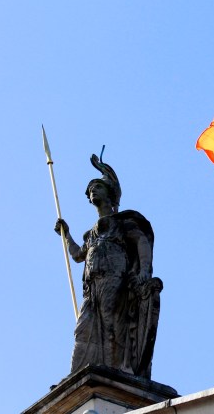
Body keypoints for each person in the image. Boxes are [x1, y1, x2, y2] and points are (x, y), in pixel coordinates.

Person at [54, 154, 161, 378]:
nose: (93, 190)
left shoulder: (123, 223)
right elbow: (77, 255)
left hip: (115, 278)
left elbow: (141, 241)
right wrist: (66, 234)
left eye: (98, 187)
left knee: (112, 323)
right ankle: (76, 375)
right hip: (92, 285)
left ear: (110, 193)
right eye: (91, 188)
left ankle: (116, 370)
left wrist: (144, 270)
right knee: (83, 327)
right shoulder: (90, 233)